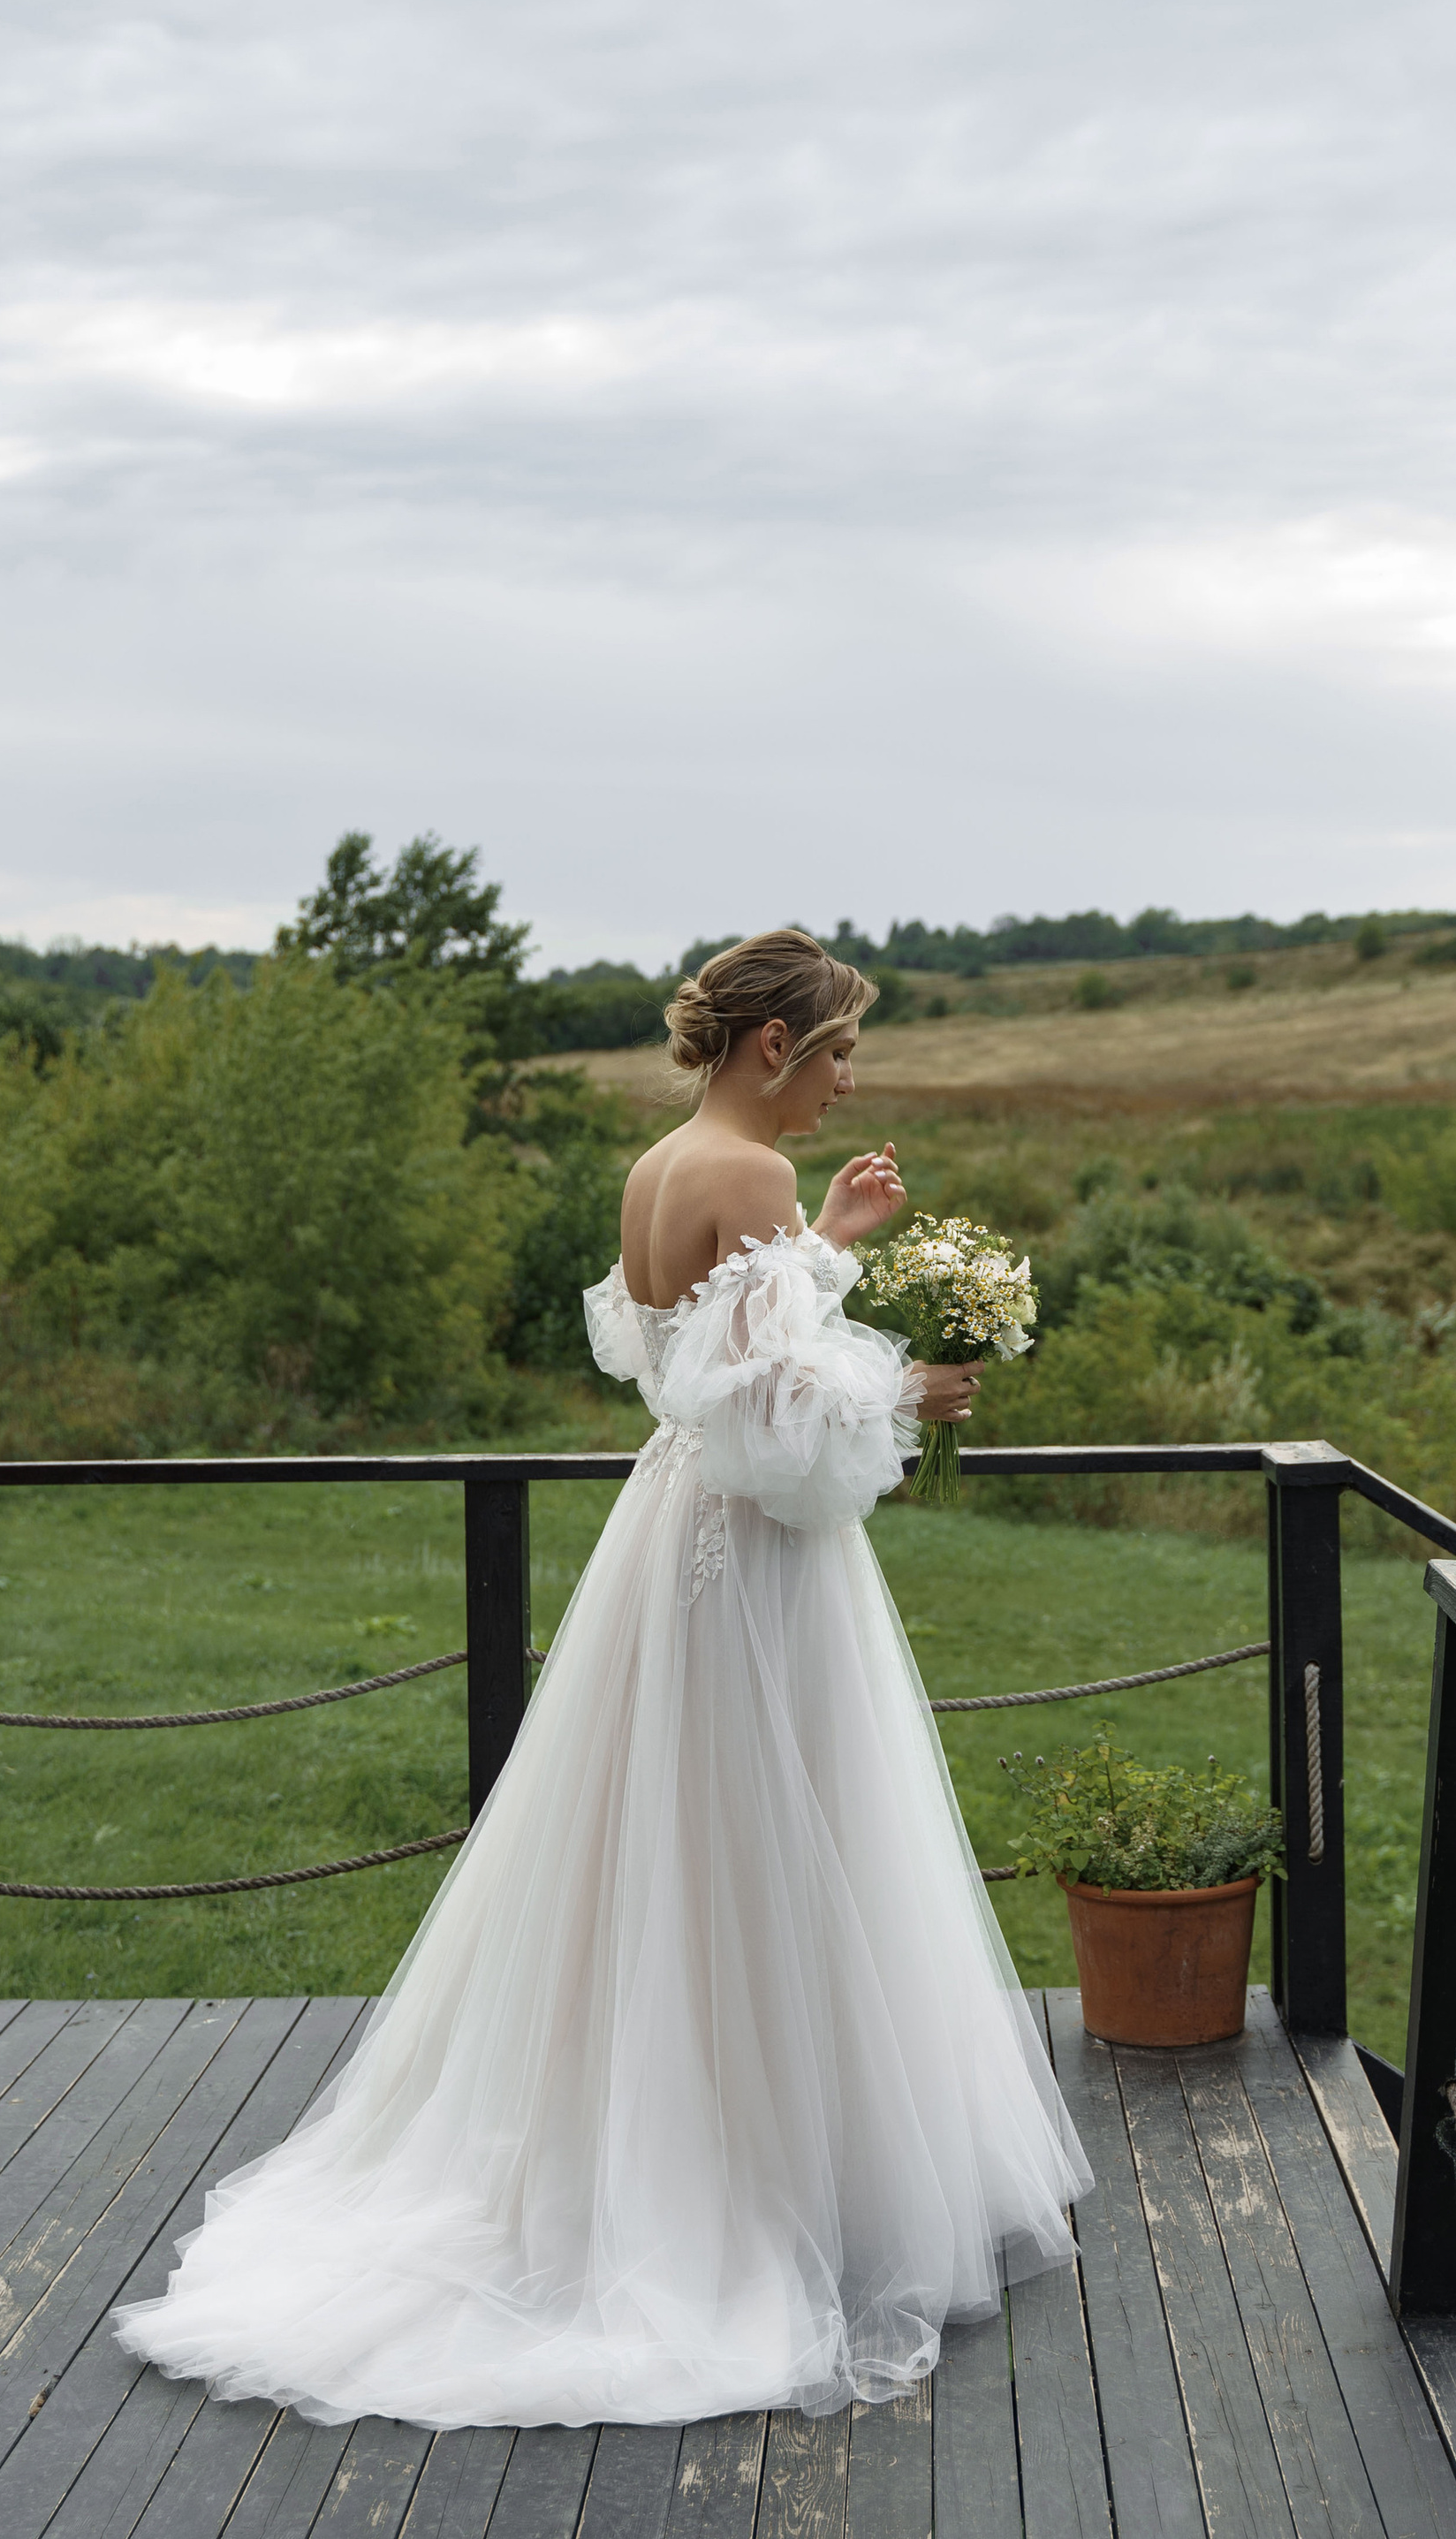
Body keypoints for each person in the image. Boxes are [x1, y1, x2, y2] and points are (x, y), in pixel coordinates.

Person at [112, 929, 1089, 2429]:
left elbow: (694, 1363)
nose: (846, 1083)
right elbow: (777, 1442)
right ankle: (747, 2192)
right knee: (763, 1845)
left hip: (666, 1538)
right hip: (749, 1564)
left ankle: (670, 2149)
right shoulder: (747, 1176)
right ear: (776, 1047)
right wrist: (912, 1388)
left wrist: (833, 1246)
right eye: (838, 1057)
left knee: (672, 1849)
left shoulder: (660, 1167)